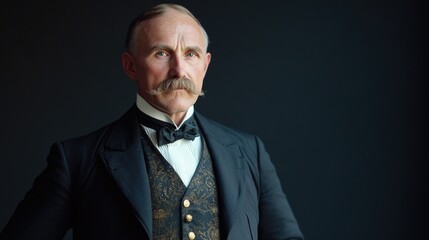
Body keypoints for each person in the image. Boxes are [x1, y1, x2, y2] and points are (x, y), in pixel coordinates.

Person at [0, 3, 303, 240]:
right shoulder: (76, 160)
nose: (179, 70)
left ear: (205, 65)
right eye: (162, 53)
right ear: (130, 66)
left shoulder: (250, 151)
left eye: (191, 54)